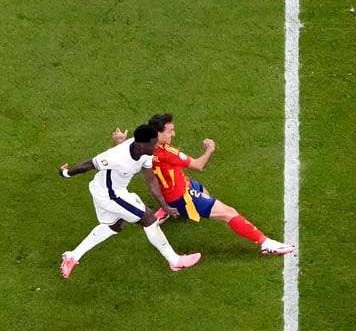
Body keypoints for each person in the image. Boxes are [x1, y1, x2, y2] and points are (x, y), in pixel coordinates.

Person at [112, 113, 295, 255]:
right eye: (170, 131)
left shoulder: (142, 144)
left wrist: (119, 142)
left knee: (205, 193)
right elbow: (198, 165)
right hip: (182, 197)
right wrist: (209, 149)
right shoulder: (168, 152)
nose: (174, 133)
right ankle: (266, 243)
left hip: (180, 185)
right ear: (159, 133)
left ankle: (166, 210)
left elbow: (124, 157)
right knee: (228, 213)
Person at [59, 124, 202, 278]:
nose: (157, 146)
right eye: (153, 143)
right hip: (110, 195)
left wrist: (165, 206)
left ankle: (73, 256)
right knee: (149, 219)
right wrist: (66, 173)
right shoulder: (115, 156)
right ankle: (175, 260)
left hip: (108, 191)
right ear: (141, 144)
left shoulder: (146, 152)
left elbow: (151, 181)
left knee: (114, 226)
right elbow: (89, 165)